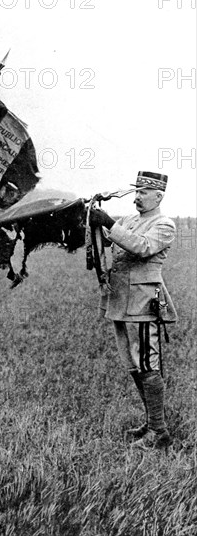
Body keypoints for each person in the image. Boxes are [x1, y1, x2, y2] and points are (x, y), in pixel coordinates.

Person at [89, 171, 177, 450]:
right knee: (133, 363)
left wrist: (109, 224)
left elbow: (142, 247)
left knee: (148, 364)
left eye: (142, 192)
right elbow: (108, 241)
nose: (136, 197)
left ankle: (159, 432)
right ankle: (151, 423)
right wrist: (91, 220)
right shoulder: (129, 221)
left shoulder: (164, 224)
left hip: (143, 302)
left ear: (158, 196)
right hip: (120, 301)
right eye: (136, 191)